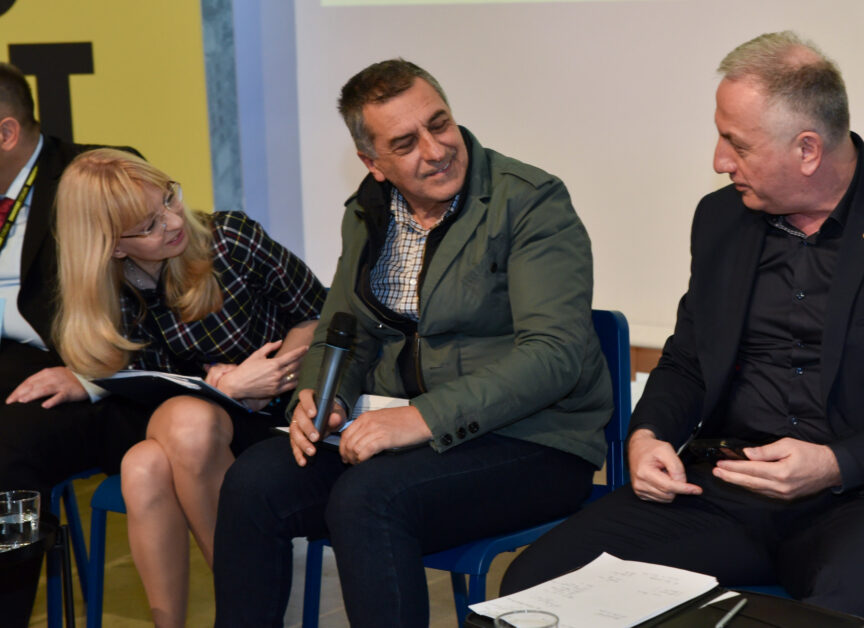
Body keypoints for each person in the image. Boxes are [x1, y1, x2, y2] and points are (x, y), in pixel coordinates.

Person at [501, 31, 864, 628]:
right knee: (533, 587)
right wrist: (649, 436)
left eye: (736, 143)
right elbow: (688, 360)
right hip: (725, 488)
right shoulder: (722, 219)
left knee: (847, 612)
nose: (719, 161)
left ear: (807, 150)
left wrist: (835, 463)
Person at [212, 59, 611, 627]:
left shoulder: (530, 201)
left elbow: (555, 355)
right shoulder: (366, 214)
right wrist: (323, 396)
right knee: (253, 483)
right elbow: (341, 332)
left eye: (439, 124)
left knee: (368, 498)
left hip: (535, 438)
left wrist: (421, 419)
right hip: (404, 431)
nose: (436, 149)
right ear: (373, 163)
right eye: (405, 143)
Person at [13, 148, 327, 626]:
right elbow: (140, 378)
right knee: (156, 453)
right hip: (192, 424)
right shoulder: (105, 292)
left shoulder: (231, 240)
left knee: (159, 451)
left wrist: (276, 371)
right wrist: (222, 386)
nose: (173, 221)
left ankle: (246, 616)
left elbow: (318, 314)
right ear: (112, 247)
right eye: (148, 225)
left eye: (168, 198)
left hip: (275, 419)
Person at [0, 62, 146, 626]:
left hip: (93, 376)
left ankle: (7, 601)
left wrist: (89, 376)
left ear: (7, 133)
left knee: (6, 457)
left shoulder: (98, 174)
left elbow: (154, 304)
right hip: (12, 363)